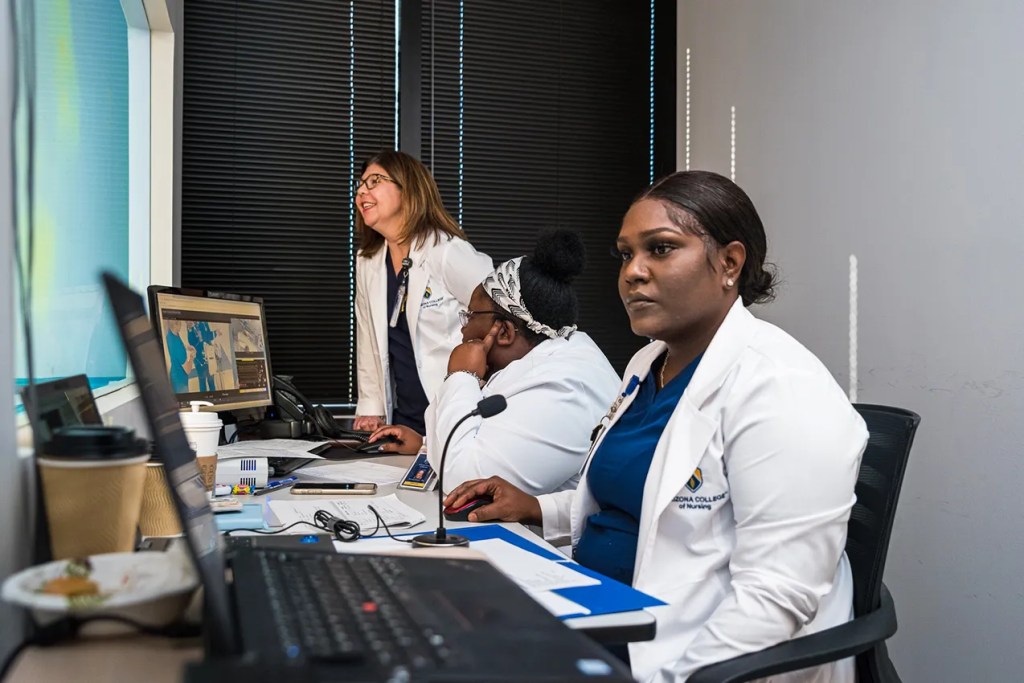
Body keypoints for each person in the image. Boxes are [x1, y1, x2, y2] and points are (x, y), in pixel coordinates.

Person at [443, 171, 868, 683]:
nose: (633, 273)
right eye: (625, 254)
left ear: (729, 263)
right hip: (598, 611)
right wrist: (536, 507)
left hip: (682, 653)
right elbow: (644, 504)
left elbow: (775, 599)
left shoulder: (783, 387)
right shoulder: (647, 365)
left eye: (660, 249)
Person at [368, 230, 621, 495]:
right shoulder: (535, 365)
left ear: (504, 332)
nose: (463, 330)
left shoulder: (565, 387)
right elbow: (487, 438)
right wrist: (424, 444)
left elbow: (465, 482)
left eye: (469, 316)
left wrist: (461, 375)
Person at [353, 151, 492, 435]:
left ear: (408, 188)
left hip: (457, 416)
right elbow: (367, 337)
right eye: (360, 184)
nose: (361, 191)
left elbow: (501, 316)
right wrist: (370, 406)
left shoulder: (446, 251)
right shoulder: (368, 261)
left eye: (374, 181)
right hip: (406, 423)